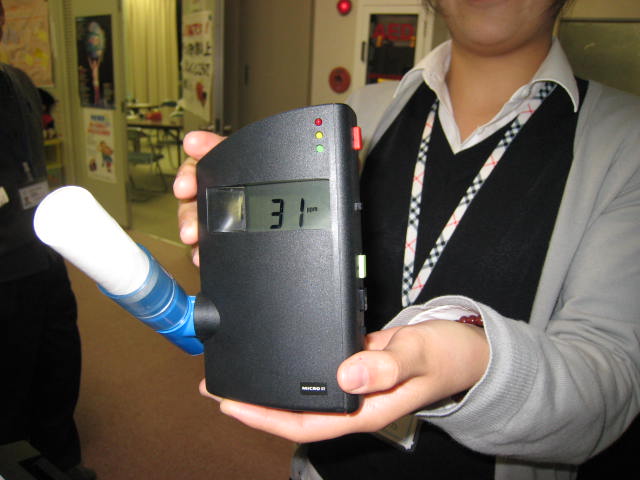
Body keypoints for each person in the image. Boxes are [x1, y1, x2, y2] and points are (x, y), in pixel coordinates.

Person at [174, 0, 640, 478]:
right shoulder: (365, 109)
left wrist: (473, 366)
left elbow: (610, 388)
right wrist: (243, 231)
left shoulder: (626, 141)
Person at [0, 2, 95, 479]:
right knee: (11, 377)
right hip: (4, 268)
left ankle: (61, 461)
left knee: (59, 361)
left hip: (44, 253)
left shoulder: (18, 82)